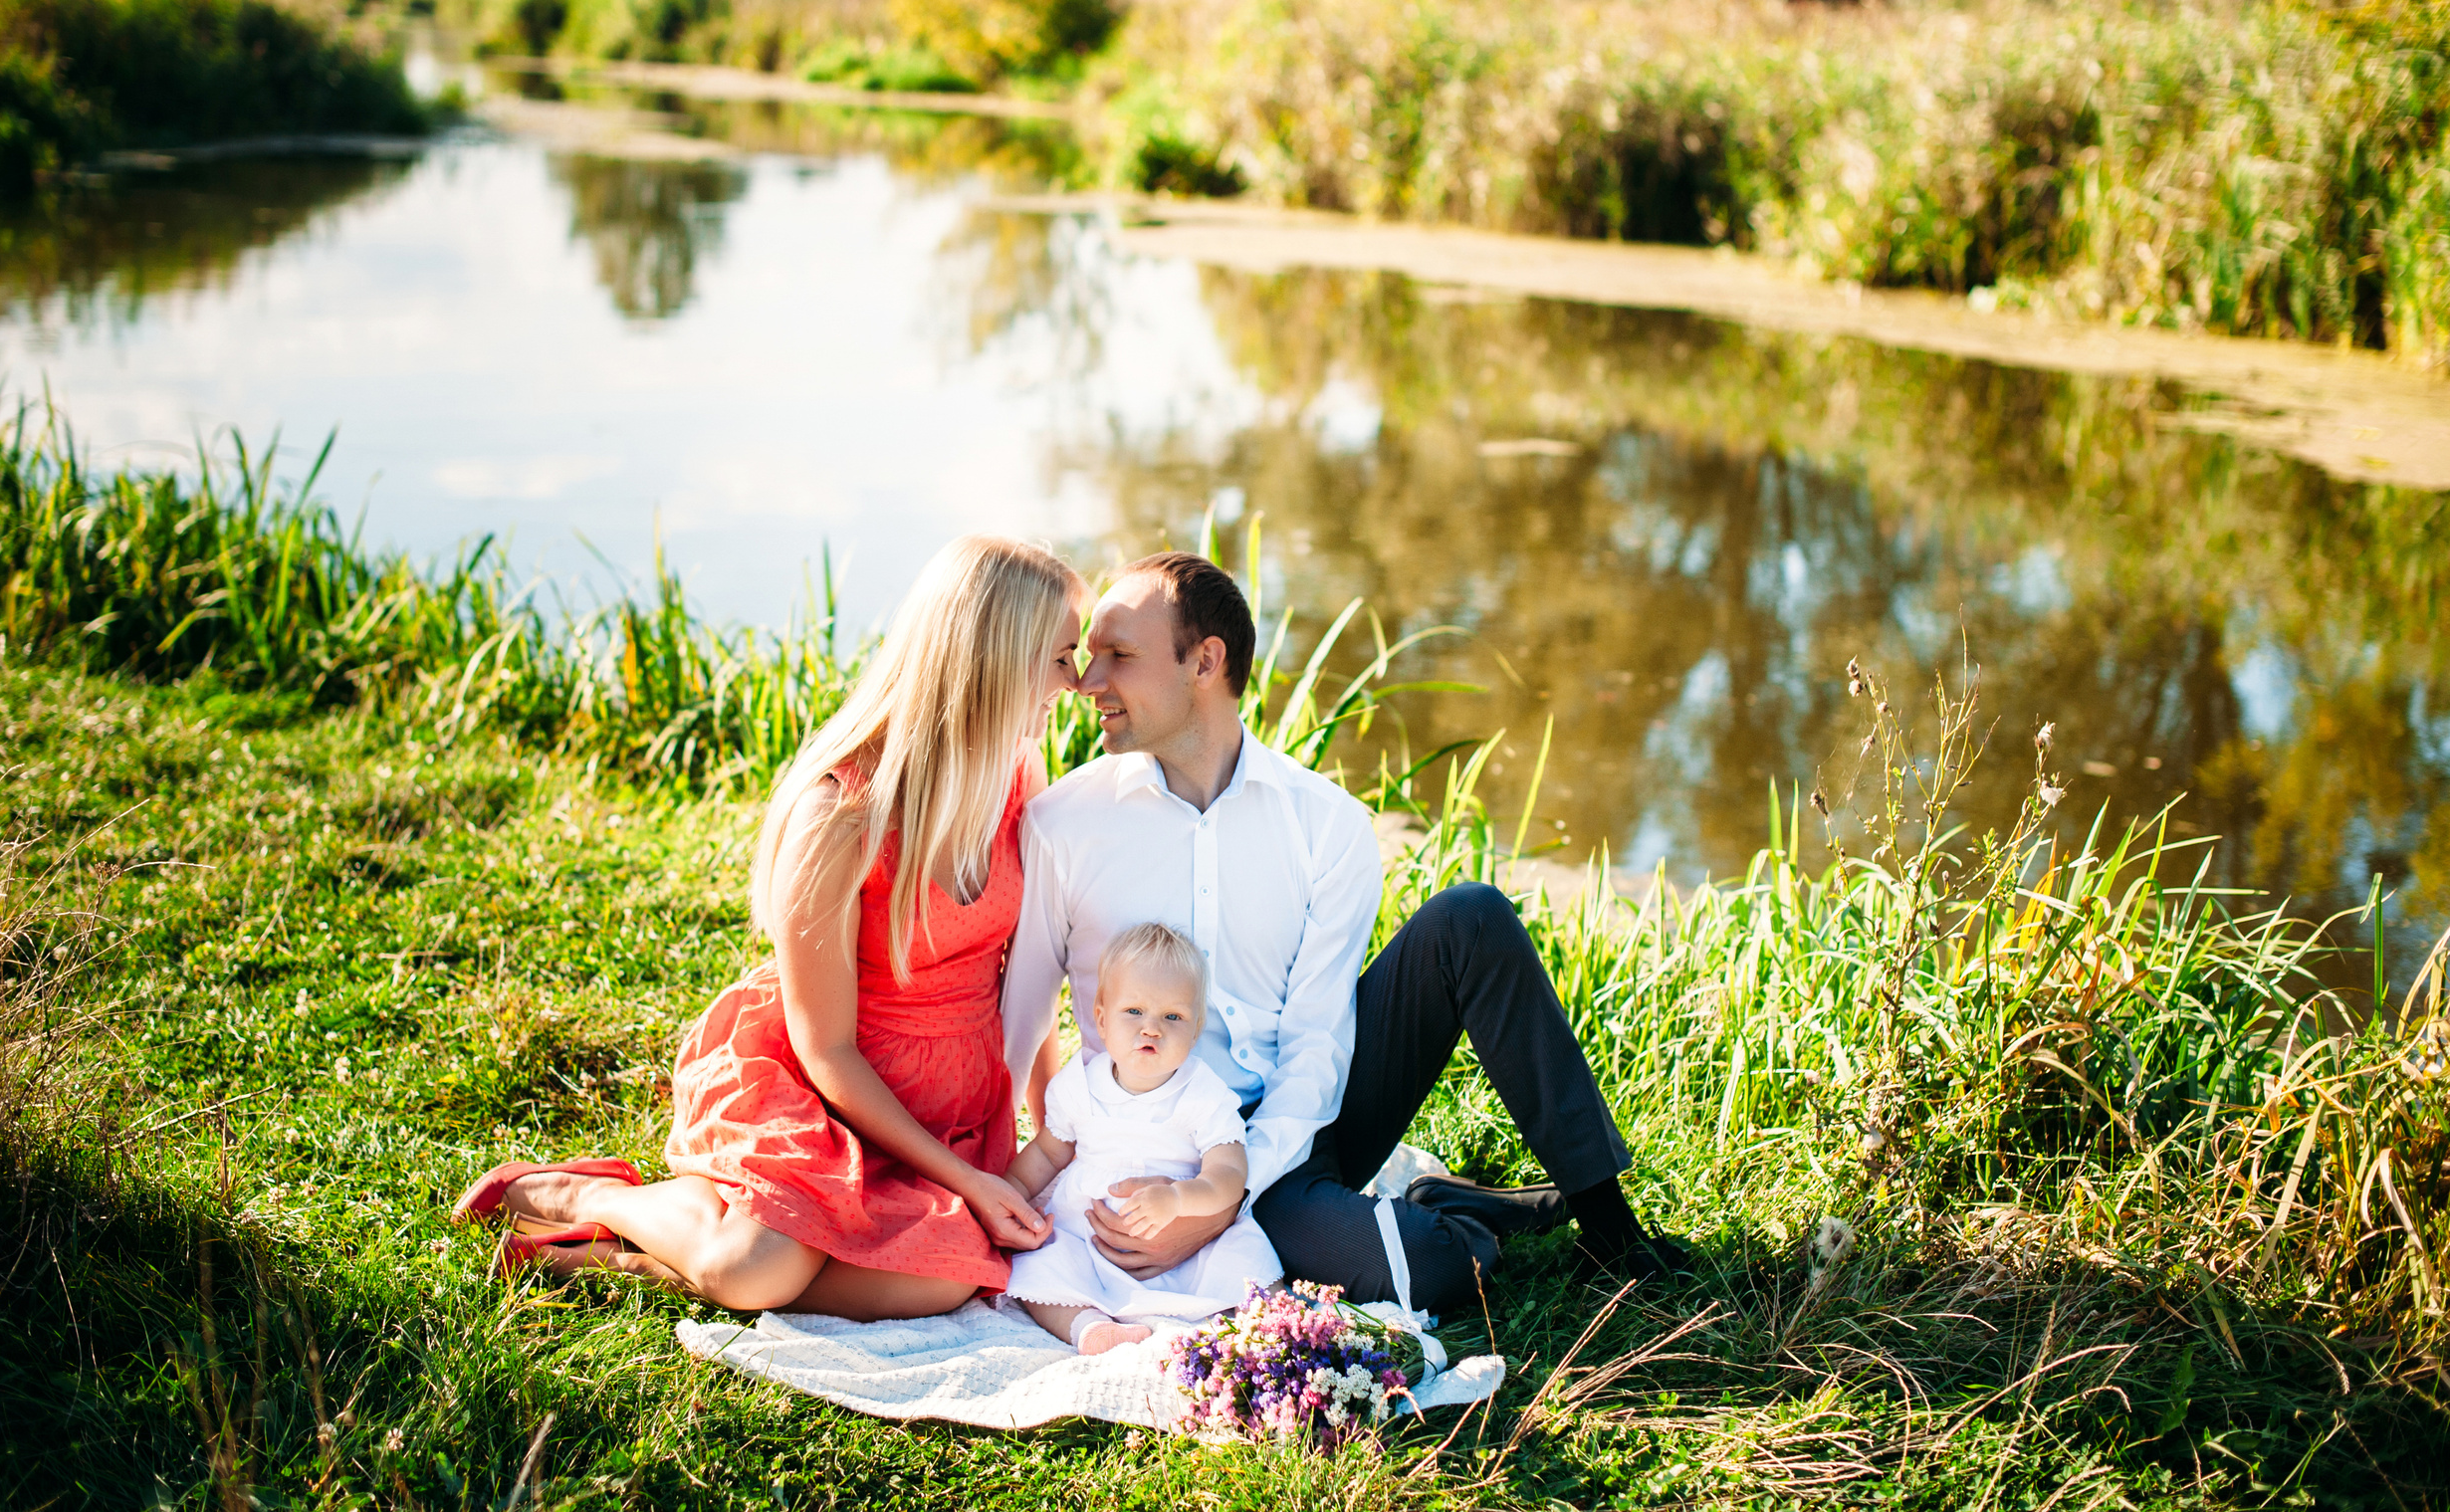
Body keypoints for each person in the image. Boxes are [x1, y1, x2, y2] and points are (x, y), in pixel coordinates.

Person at [1001, 551, 1683, 1318]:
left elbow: (1316, 1048)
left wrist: (1224, 1193)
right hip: (1148, 1140)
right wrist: (999, 1189)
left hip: (1291, 1141)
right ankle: (1462, 1210)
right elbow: (1016, 1029)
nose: (1089, 682)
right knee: (1441, 1269)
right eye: (1089, 656)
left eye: (1118, 656)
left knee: (1471, 917)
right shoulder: (1064, 823)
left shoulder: (1325, 824)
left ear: (1205, 661)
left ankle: (1610, 1227)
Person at [453, 535, 1083, 1322]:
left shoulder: (1017, 775)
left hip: (947, 1119)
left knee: (948, 1276)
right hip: (828, 1094)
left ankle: (617, 1263)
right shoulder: (841, 814)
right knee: (758, 1267)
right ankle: (593, 1193)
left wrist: (1052, 1126)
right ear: (998, 658)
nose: (1078, 681)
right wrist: (969, 1184)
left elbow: (1026, 979)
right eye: (1061, 657)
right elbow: (829, 1049)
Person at [1002, 922, 1282, 1353]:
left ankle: (1243, 1331)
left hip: (1186, 1242)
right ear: (1101, 1018)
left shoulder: (1203, 1093)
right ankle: (1088, 1328)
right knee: (1038, 1269)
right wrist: (1014, 1194)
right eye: (1133, 1012)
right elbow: (1046, 1152)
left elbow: (1229, 1172)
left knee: (1249, 1263)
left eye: (1172, 1016)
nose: (1151, 1028)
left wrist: (1180, 1199)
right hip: (1090, 1240)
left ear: (1195, 1028)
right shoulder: (1079, 1086)